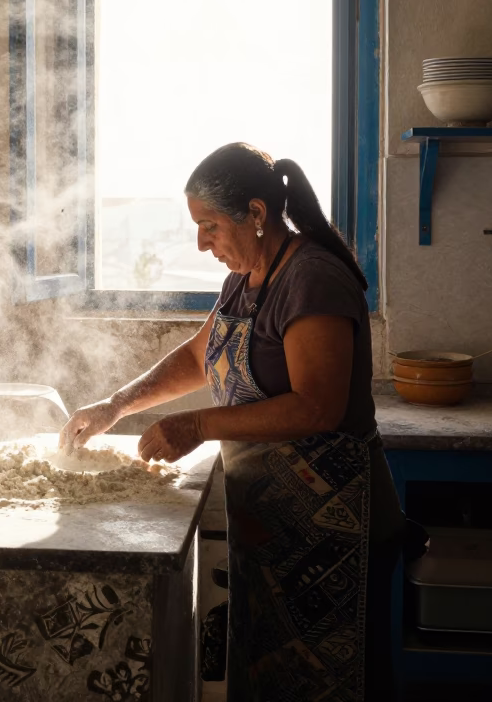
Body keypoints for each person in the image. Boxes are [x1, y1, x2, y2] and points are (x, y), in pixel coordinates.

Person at [60, 143, 406, 701]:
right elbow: (200, 357)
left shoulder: (312, 279)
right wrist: (116, 404)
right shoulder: (245, 279)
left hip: (335, 530)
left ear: (257, 214)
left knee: (332, 683)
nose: (202, 243)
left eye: (210, 226)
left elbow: (317, 407)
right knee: (272, 680)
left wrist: (197, 426)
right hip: (274, 525)